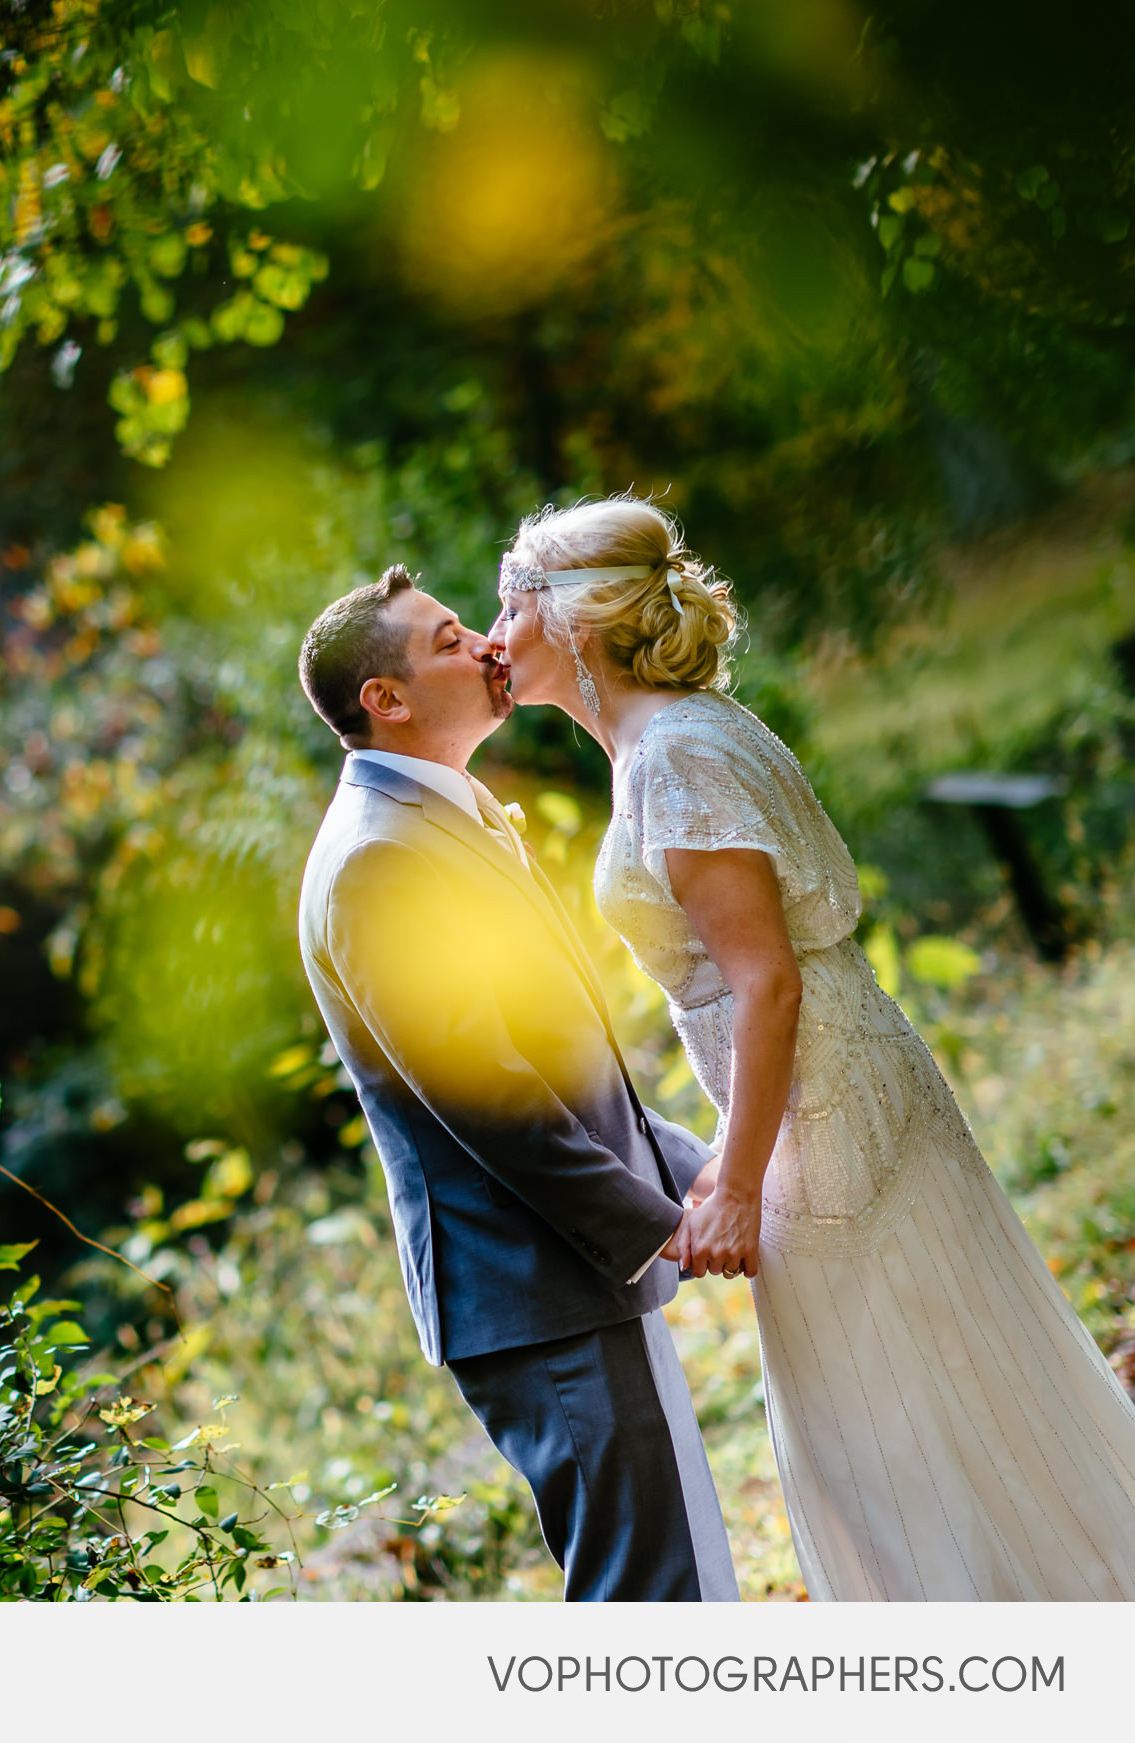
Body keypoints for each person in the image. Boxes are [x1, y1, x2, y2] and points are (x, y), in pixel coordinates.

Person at [491, 494, 1135, 1600]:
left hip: (825, 1115)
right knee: (923, 1391)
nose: (495, 632)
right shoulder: (664, 740)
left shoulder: (675, 755)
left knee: (882, 1428)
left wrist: (734, 1185)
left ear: (578, 621)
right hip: (826, 1088)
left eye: (511, 604)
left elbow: (768, 981)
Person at [295, 564, 738, 1600]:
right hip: (534, 1288)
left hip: (566, 1271)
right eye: (451, 639)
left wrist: (692, 1164)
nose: (489, 647)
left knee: (678, 1572)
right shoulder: (378, 861)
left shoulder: (438, 820)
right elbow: (489, 1097)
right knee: (649, 1596)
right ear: (386, 699)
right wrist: (657, 1220)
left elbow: (556, 1066)